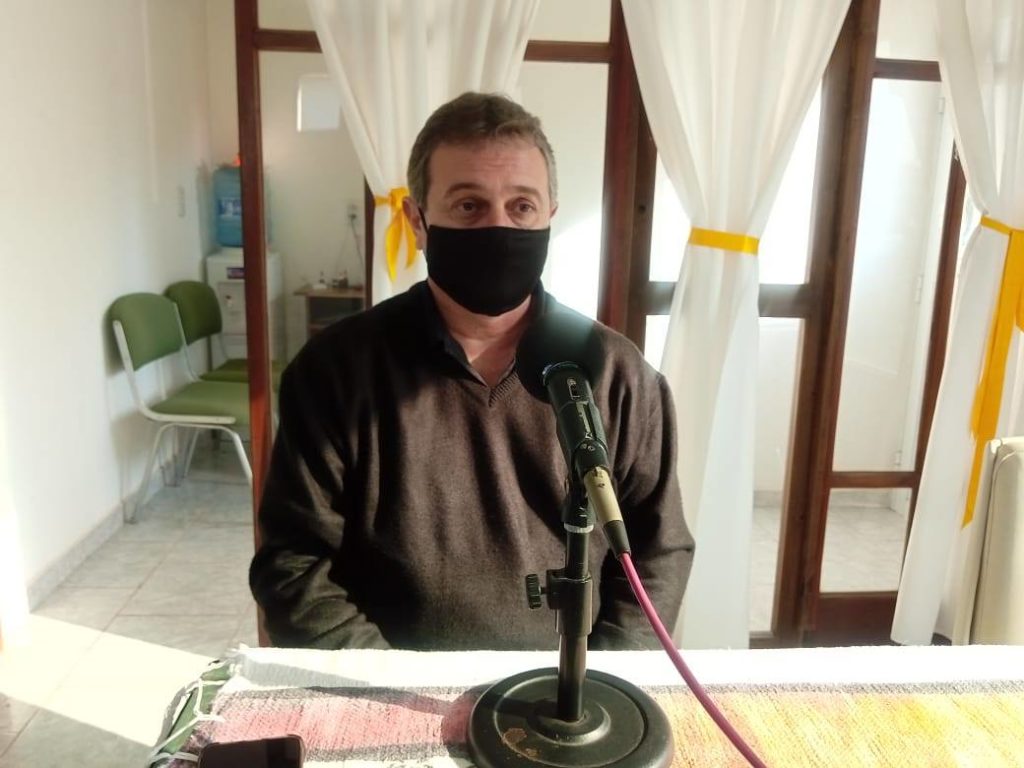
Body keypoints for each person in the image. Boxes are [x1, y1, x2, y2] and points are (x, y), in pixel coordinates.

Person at [250, 92, 694, 650]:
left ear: (549, 217)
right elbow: (294, 566)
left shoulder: (614, 373)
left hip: (569, 686)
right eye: (468, 205)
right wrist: (394, 688)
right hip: (391, 684)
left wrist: (601, 678)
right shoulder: (333, 373)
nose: (498, 227)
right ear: (418, 221)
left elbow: (657, 553)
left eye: (522, 206)